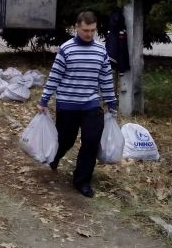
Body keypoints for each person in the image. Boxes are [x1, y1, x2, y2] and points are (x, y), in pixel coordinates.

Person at [38, 11, 117, 198]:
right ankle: (55, 156)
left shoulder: (101, 51)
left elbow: (105, 79)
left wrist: (111, 102)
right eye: (85, 30)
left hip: (91, 104)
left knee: (91, 141)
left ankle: (82, 180)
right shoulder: (66, 49)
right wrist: (44, 100)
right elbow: (55, 76)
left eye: (92, 30)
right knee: (66, 139)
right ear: (76, 28)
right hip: (67, 104)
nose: (89, 34)